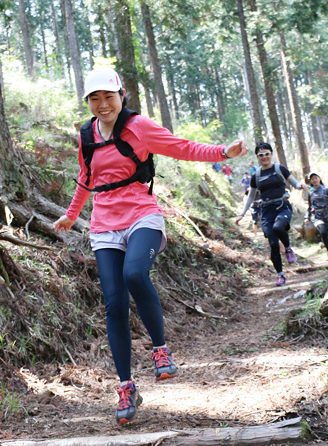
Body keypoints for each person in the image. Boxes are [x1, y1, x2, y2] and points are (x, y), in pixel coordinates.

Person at [54, 67, 248, 425]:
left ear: (121, 95)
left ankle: (161, 350)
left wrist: (223, 151)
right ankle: (126, 387)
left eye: (108, 96)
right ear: (88, 102)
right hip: (104, 225)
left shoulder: (139, 127)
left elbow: (182, 147)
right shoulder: (86, 135)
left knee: (134, 274)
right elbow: (86, 177)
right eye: (94, 98)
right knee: (114, 304)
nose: (102, 104)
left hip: (142, 215)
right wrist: (71, 215)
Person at [235, 142, 308, 286]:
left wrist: (301, 185)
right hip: (267, 211)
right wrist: (242, 213)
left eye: (267, 154)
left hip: (282, 206)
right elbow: (251, 196)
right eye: (261, 155)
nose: (264, 157)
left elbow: (294, 182)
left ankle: (288, 248)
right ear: (257, 157)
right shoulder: (256, 175)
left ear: (271, 154)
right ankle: (280, 275)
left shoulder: (279, 168)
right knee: (273, 244)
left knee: (278, 228)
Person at [307, 172, 328, 259]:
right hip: (318, 216)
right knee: (323, 232)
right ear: (310, 181)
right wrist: (307, 217)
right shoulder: (310, 193)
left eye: (316, 178)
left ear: (319, 178)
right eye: (312, 179)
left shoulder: (326, 190)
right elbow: (310, 207)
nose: (314, 180)